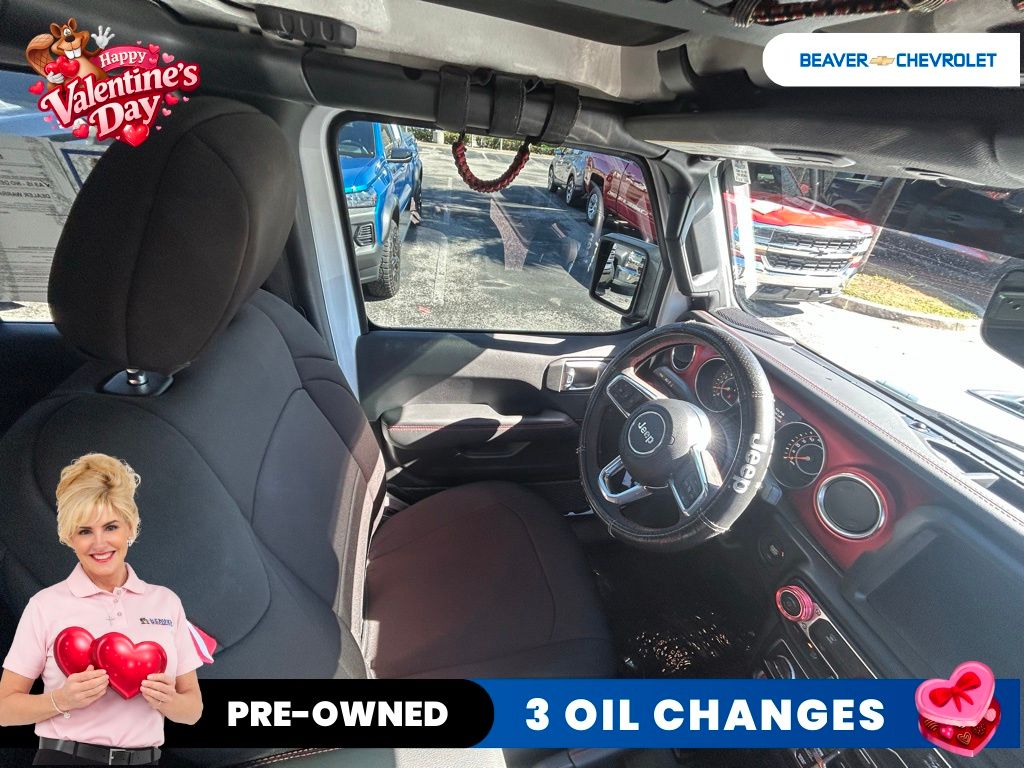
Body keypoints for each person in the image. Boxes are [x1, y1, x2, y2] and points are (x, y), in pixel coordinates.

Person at [0, 454, 204, 765]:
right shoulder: (45, 605)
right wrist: (60, 700)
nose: (99, 543)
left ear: (130, 528)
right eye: (85, 531)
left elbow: (193, 711)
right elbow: (4, 709)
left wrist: (169, 701)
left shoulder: (165, 602)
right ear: (69, 537)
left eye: (111, 527)